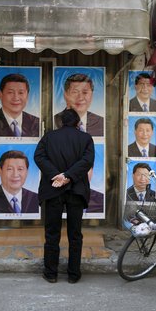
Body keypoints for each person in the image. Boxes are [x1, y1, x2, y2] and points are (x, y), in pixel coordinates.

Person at [34, 108, 94, 284]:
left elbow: (39, 157)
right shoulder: (86, 139)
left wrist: (57, 176)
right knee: (75, 234)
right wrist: (68, 176)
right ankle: (73, 274)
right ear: (77, 123)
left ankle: (50, 273)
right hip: (76, 191)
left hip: (53, 190)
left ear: (60, 122)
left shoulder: (49, 137)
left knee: (52, 233)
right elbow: (86, 161)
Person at [0, 73, 39, 137]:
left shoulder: (36, 122)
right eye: (10, 92)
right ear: (0, 95)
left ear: (27, 96)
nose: (16, 98)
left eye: (21, 93)